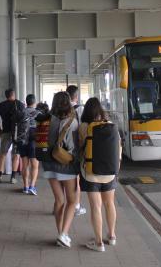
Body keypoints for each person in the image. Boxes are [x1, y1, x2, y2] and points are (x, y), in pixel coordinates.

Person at [78, 97, 121, 252]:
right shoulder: (111, 125)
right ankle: (112, 236)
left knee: (96, 206)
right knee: (110, 204)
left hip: (90, 172)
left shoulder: (84, 126)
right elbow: (118, 149)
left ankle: (98, 243)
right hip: (109, 172)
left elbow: (80, 147)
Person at [42, 91, 79, 248]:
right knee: (72, 201)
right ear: (69, 102)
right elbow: (72, 148)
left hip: (49, 164)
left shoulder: (47, 120)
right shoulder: (72, 122)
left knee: (59, 200)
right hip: (66, 165)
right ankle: (63, 234)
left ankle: (61, 233)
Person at [0, 89, 27, 184]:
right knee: (16, 155)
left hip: (6, 131)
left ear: (6, 95)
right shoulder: (20, 104)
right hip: (17, 133)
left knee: (3, 154)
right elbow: (25, 119)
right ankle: (13, 177)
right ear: (14, 94)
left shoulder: (1, 105)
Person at [66, 85, 86, 217]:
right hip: (77, 148)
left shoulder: (60, 109)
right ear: (76, 96)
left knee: (64, 177)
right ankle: (76, 206)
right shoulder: (80, 109)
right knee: (76, 178)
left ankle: (65, 204)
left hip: (62, 149)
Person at [20, 94, 40, 196]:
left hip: (22, 140)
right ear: (34, 102)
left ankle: (25, 186)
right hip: (34, 141)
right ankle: (32, 186)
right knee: (35, 166)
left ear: (26, 102)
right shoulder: (38, 113)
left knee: (25, 165)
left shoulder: (21, 112)